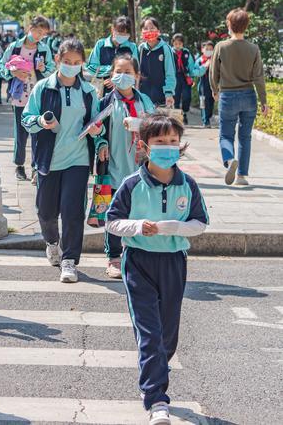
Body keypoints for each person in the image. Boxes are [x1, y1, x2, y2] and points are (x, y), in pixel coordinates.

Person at [106, 115, 208, 425]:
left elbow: (200, 224)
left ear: (181, 146)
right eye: (160, 142)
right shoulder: (132, 184)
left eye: (172, 142)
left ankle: (154, 376)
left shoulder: (188, 184)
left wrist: (175, 227)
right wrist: (137, 226)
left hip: (174, 263)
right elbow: (112, 221)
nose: (167, 148)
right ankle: (156, 398)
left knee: (168, 336)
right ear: (144, 146)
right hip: (139, 262)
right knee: (150, 335)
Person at [21, 38, 102, 283]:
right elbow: (26, 118)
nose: (71, 66)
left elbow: (98, 123)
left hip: (77, 160)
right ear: (58, 60)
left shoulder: (88, 92)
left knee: (72, 211)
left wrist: (99, 135)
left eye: (76, 63)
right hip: (48, 160)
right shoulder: (43, 88)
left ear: (82, 64)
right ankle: (52, 242)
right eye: (67, 61)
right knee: (45, 212)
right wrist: (40, 123)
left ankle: (70, 260)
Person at [94, 54, 156, 279]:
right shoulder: (105, 101)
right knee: (115, 212)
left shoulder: (144, 101)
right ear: (111, 76)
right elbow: (96, 127)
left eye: (128, 72)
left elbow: (156, 126)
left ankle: (138, 254)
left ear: (137, 76)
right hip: (113, 166)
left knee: (139, 211)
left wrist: (143, 125)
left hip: (140, 167)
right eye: (118, 72)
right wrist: (100, 142)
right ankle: (113, 257)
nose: (123, 76)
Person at [210, 8, 269, 187]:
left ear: (229, 24)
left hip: (228, 95)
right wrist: (264, 101)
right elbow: (259, 77)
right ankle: (242, 176)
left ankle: (229, 161)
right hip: (249, 96)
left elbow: (213, 72)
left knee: (226, 135)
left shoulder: (221, 46)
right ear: (246, 26)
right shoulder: (253, 48)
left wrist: (214, 89)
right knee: (245, 136)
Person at [0, 16, 56, 182]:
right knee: (21, 132)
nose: (39, 36)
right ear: (29, 28)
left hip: (38, 95)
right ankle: (19, 165)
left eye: (43, 34)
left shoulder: (45, 49)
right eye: (38, 31)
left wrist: (44, 68)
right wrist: (13, 73)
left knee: (38, 132)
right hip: (19, 96)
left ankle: (35, 167)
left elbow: (52, 71)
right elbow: (3, 65)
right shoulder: (15, 47)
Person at [86, 16, 139, 96]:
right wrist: (113, 70)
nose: (123, 35)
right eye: (120, 32)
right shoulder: (101, 44)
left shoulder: (132, 47)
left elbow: (135, 70)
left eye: (126, 33)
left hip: (125, 92)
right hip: (102, 92)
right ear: (112, 29)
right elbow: (91, 67)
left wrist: (116, 79)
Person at [138, 17, 176, 107]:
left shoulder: (165, 49)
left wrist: (169, 93)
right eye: (146, 29)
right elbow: (136, 72)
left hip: (161, 98)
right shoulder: (140, 49)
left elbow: (170, 73)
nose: (149, 31)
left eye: (152, 28)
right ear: (142, 32)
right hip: (143, 98)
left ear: (158, 31)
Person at [171, 34, 206, 125]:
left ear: (182, 44)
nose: (177, 45)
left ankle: (185, 112)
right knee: (176, 97)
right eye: (175, 43)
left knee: (187, 96)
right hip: (174, 77)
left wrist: (192, 77)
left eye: (179, 43)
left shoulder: (186, 53)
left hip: (185, 77)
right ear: (173, 43)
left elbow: (191, 66)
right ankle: (177, 117)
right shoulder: (170, 52)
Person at [196, 41, 215, 128]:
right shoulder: (199, 60)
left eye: (211, 49)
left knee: (211, 102)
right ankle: (205, 121)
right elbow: (196, 72)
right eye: (207, 49)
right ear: (202, 50)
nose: (209, 51)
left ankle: (209, 116)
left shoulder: (215, 60)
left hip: (213, 85)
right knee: (204, 103)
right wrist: (205, 66)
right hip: (203, 85)